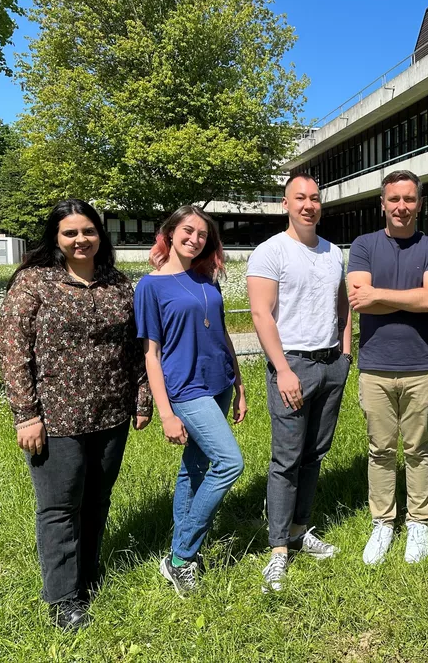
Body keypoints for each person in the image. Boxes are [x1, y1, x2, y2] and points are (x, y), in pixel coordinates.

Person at [0, 199, 151, 630]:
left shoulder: (118, 283)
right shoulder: (34, 283)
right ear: (56, 238)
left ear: (101, 235)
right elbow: (12, 351)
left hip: (111, 415)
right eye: (70, 233)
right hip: (55, 418)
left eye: (88, 231)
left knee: (97, 501)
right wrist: (26, 415)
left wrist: (141, 399)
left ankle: (87, 576)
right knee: (60, 508)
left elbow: (135, 348)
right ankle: (63, 599)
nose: (81, 239)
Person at [134, 205, 247, 597]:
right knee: (230, 463)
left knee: (195, 467)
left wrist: (240, 384)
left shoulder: (207, 280)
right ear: (169, 232)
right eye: (187, 230)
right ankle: (181, 556)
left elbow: (223, 334)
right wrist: (164, 412)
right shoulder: (149, 286)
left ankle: (180, 551)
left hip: (220, 383)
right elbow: (151, 354)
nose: (195, 239)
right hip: (185, 389)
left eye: (202, 234)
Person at [247, 173, 352, 591]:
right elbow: (260, 315)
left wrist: (345, 354)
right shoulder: (270, 252)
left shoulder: (332, 253)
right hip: (292, 366)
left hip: (330, 365)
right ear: (285, 204)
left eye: (314, 198)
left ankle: (299, 529)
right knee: (287, 459)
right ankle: (277, 550)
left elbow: (342, 306)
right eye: (300, 198)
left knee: (314, 455)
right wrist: (283, 370)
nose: (308, 204)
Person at [347, 170, 428, 565]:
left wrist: (380, 294)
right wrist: (408, 297)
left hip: (420, 364)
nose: (401, 207)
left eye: (409, 199)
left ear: (419, 204)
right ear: (383, 204)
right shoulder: (364, 245)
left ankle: (419, 521)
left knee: (418, 448)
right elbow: (360, 300)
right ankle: (383, 522)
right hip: (374, 364)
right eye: (394, 200)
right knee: (380, 449)